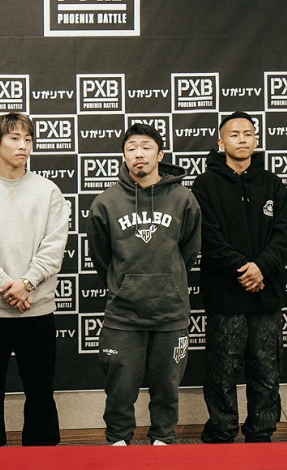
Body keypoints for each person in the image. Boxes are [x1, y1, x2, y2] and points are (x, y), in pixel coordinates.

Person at [0, 112, 69, 447]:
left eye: (28, 139)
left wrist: (28, 284)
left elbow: (54, 246)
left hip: (36, 307)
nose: (23, 146)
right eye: (15, 139)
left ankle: (43, 456)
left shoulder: (48, 191)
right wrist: (10, 287)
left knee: (40, 390)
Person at [87, 123, 201, 446]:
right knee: (120, 390)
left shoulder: (183, 199)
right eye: (132, 148)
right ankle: (118, 442)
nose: (139, 153)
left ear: (160, 155)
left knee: (167, 388)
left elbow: (189, 252)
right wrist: (125, 284)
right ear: (124, 155)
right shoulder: (106, 202)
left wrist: (168, 280)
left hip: (170, 313)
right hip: (124, 316)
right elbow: (101, 256)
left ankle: (163, 441)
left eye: (146, 147)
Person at [191, 111, 287, 443]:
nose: (242, 139)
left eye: (248, 133)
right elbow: (209, 238)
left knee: (266, 371)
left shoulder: (273, 184)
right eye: (234, 134)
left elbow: (283, 237)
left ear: (256, 140)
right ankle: (221, 431)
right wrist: (245, 269)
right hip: (225, 295)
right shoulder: (204, 185)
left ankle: (261, 432)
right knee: (221, 371)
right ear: (221, 143)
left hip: (266, 295)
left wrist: (261, 267)